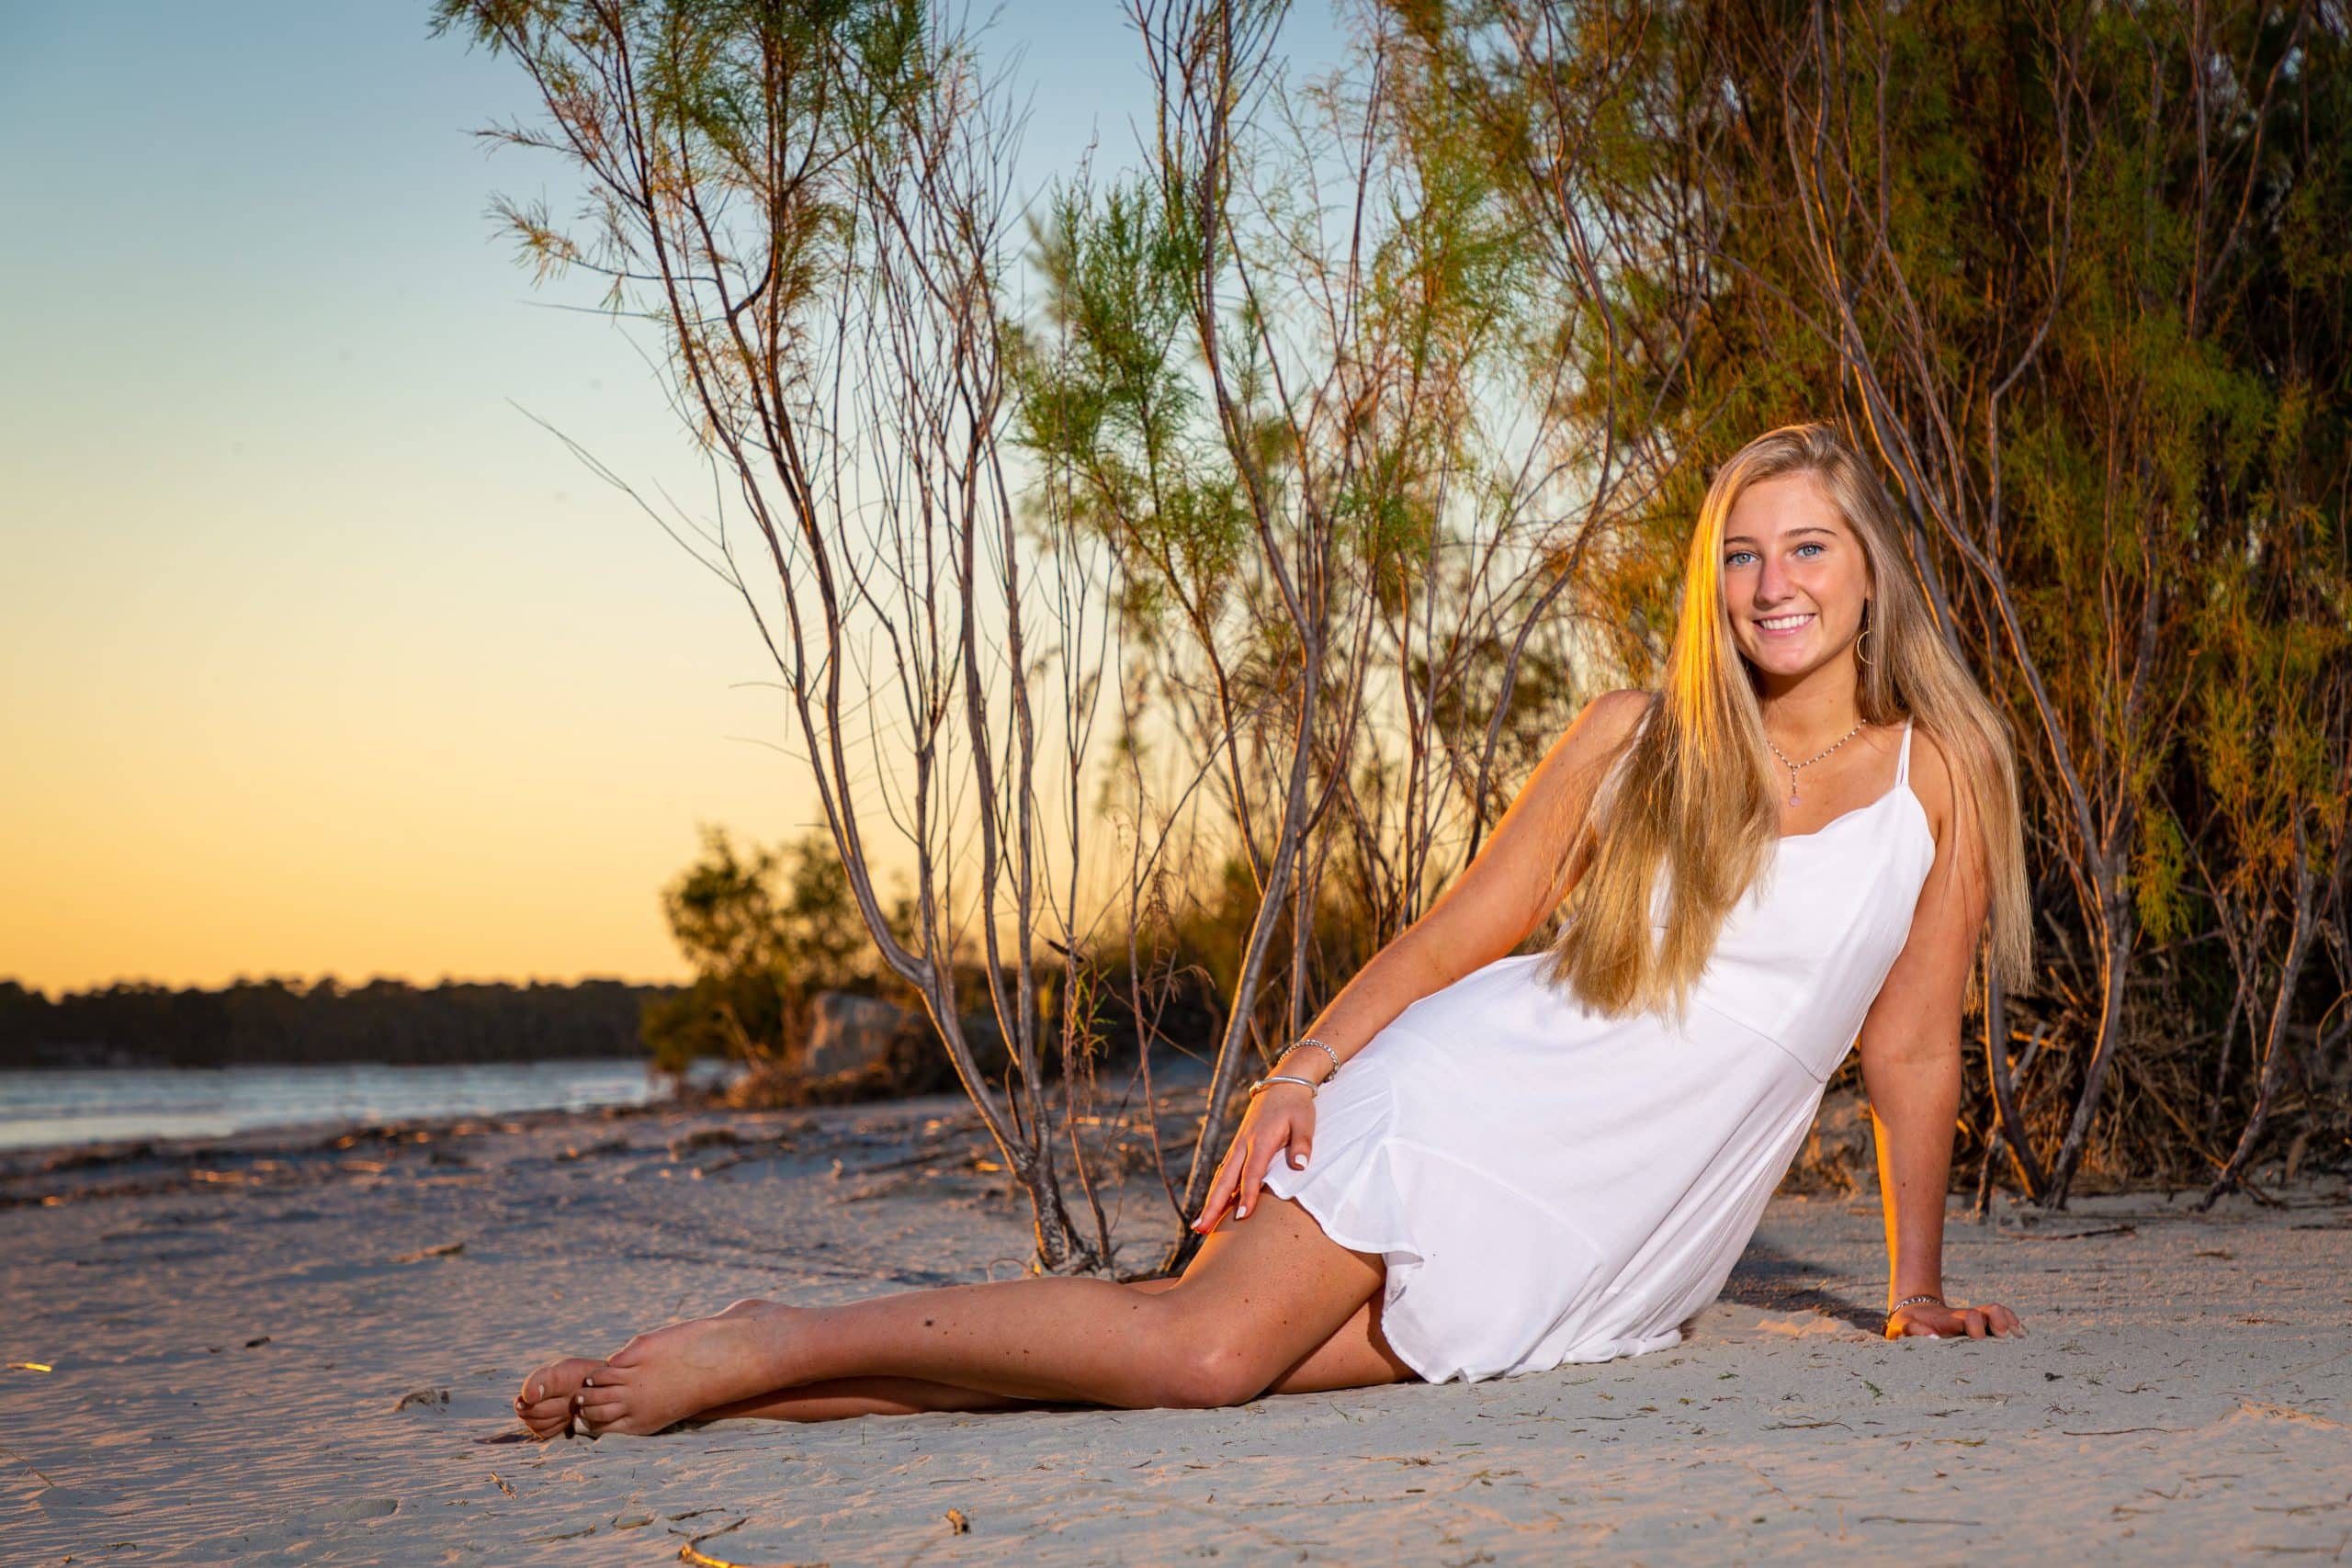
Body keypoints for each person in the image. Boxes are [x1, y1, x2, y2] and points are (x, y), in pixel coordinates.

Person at [513, 421, 2030, 1438]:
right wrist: (1297, 1074)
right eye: (1745, 556)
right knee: (1203, 1353)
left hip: (1619, 1221)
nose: (1775, 587)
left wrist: (1912, 1293)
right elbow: (1457, 940)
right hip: (1471, 1109)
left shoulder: (1937, 770)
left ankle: (730, 1394)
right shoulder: (1639, 739)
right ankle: (773, 1337)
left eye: (1809, 550)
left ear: (1872, 565)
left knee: (1174, 1371)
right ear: (1714, 582)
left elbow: (1908, 1047)